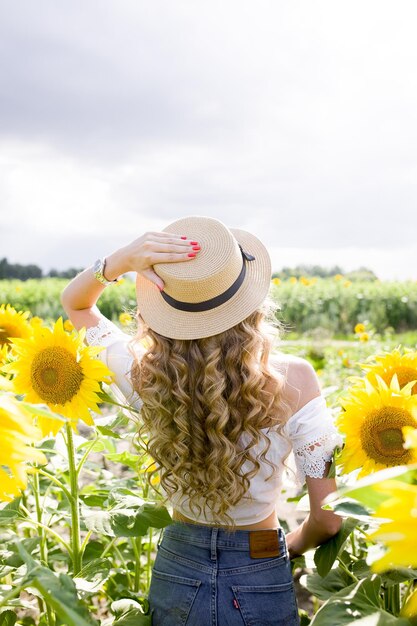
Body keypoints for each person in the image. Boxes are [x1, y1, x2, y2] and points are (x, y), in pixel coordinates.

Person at [61, 215, 343, 626]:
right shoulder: (294, 379)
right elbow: (328, 518)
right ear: (251, 302)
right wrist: (290, 547)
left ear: (163, 308)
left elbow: (77, 303)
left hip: (177, 568)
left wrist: (120, 261)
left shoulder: (142, 373)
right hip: (261, 562)